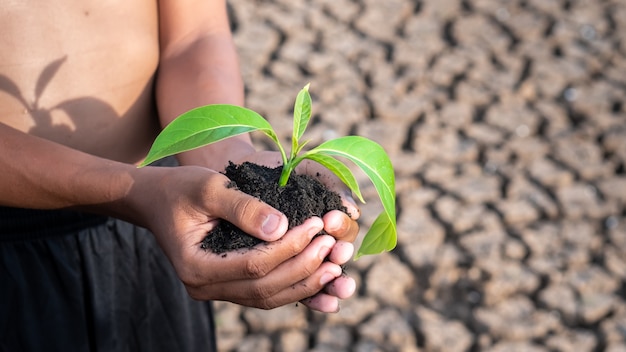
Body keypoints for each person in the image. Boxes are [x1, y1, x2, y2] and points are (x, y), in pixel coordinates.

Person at [0, 1, 360, 350]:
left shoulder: (182, 203)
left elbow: (193, 35)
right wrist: (135, 192)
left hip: (170, 210)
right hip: (17, 246)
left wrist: (232, 161)